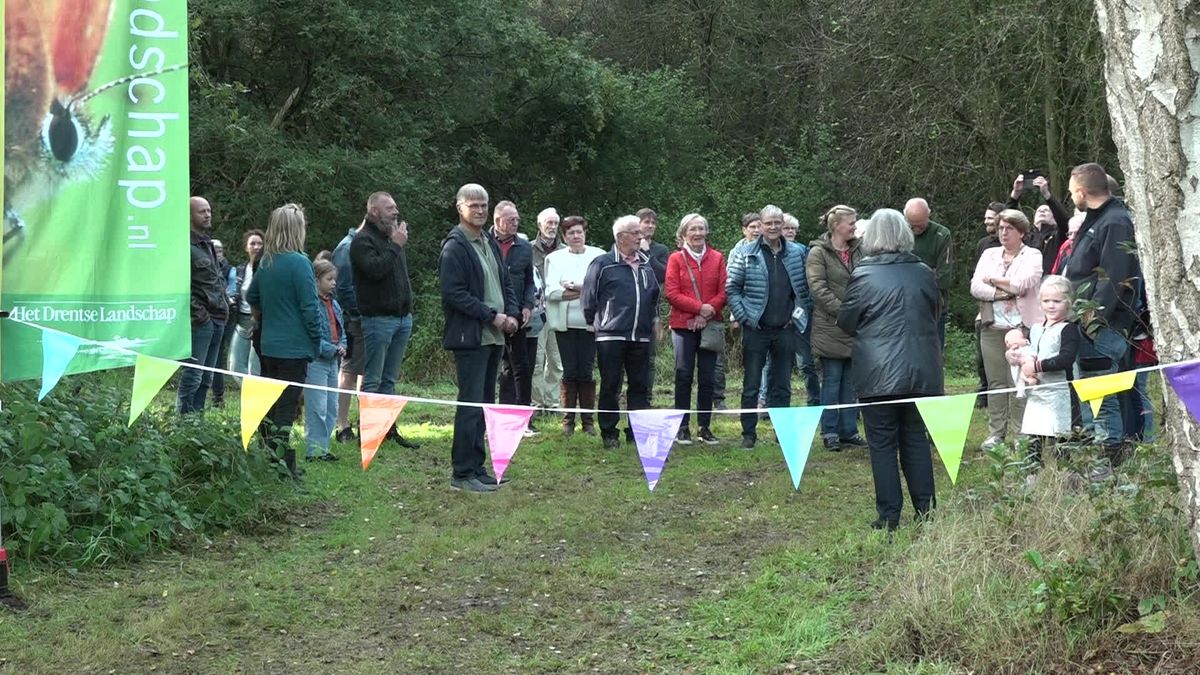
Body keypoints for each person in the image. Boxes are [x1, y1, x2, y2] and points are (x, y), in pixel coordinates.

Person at [838, 208, 942, 532]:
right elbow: (936, 312)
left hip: (878, 372)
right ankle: (926, 511)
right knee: (916, 439)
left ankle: (888, 516)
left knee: (882, 444)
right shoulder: (924, 272)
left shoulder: (863, 274)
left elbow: (846, 321)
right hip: (920, 370)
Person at [440, 183, 519, 493]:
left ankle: (478, 467)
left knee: (485, 405)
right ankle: (461, 473)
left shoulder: (487, 239)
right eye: (473, 205)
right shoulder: (455, 245)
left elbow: (505, 282)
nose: (480, 210)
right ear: (460, 208)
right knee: (470, 405)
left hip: (495, 336)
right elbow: (453, 294)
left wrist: (511, 313)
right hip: (472, 336)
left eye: (484, 204)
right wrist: (492, 316)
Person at [1062, 163, 1142, 464]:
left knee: (1102, 396)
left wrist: (1091, 321)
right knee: (1091, 394)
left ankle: (1110, 458)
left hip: (1102, 326)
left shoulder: (1115, 222)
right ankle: (1100, 452)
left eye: (1071, 191)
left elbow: (1114, 276)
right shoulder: (1096, 219)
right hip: (1086, 322)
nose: (1071, 196)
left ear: (1082, 192)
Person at [246, 203, 322, 482]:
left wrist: (267, 313)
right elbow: (310, 308)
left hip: (268, 346)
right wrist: (317, 339)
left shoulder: (266, 262)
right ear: (296, 229)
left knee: (272, 405)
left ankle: (269, 458)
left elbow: (251, 296)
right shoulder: (300, 262)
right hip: (294, 347)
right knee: (286, 408)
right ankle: (280, 466)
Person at [726, 205, 811, 450]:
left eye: (777, 223)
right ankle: (748, 433)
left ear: (783, 224)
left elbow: (804, 289)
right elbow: (732, 288)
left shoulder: (797, 252)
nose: (773, 227)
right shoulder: (746, 253)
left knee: (781, 384)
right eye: (768, 223)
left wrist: (799, 315)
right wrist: (745, 317)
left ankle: (782, 431)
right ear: (760, 225)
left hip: (786, 328)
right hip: (756, 329)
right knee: (752, 383)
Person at [582, 215, 661, 449]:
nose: (641, 237)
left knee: (640, 385)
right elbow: (588, 298)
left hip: (641, 336)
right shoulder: (603, 264)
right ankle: (609, 431)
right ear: (620, 237)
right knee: (611, 384)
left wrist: (655, 318)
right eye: (635, 233)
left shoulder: (647, 264)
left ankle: (636, 431)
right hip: (611, 335)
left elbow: (654, 296)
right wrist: (597, 323)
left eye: (640, 233)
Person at [350, 191, 419, 449]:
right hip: (378, 319)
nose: (395, 212)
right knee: (373, 379)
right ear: (374, 211)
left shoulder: (392, 238)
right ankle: (368, 435)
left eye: (396, 207)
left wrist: (395, 244)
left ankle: (386, 430)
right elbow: (375, 271)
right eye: (390, 208)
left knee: (390, 379)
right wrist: (396, 245)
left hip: (401, 319)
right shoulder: (362, 241)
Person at [971, 209, 1044, 450]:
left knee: (1020, 380)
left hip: (1022, 327)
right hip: (992, 326)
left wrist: (991, 280)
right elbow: (975, 287)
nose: (1003, 232)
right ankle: (996, 433)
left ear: (1021, 232)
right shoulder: (990, 253)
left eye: (1009, 228)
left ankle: (1021, 433)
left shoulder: (1032, 254)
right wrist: (1003, 291)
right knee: (996, 382)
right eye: (1001, 228)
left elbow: (1024, 285)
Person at [664, 213, 726, 445]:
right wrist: (699, 309)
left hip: (709, 325)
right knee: (683, 375)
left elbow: (724, 290)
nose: (698, 233)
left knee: (708, 377)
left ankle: (704, 426)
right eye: (693, 229)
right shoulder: (675, 259)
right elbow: (672, 293)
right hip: (683, 325)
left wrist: (707, 312)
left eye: (701, 229)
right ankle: (682, 427)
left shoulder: (718, 258)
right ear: (683, 234)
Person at [807, 205, 865, 451]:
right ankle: (830, 431)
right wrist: (845, 312)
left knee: (851, 382)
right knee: (832, 380)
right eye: (851, 222)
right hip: (831, 327)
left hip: (856, 327)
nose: (854, 226)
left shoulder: (859, 250)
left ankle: (849, 430)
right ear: (836, 226)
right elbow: (818, 289)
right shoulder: (817, 253)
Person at [544, 216, 605, 436]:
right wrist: (584, 291)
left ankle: (588, 421)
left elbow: (602, 289)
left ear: (585, 233)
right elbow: (551, 292)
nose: (576, 236)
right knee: (569, 370)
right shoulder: (554, 258)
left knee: (586, 370)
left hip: (591, 324)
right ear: (564, 236)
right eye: (571, 233)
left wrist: (574, 288)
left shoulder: (598, 256)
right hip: (565, 324)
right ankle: (568, 420)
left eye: (579, 232)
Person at [1014, 275, 1080, 465]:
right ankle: (1030, 477)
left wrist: (1037, 366)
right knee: (1033, 438)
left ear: (1067, 302)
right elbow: (1031, 351)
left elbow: (1066, 359)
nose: (1051, 306)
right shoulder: (1035, 328)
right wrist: (1019, 358)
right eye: (1046, 301)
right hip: (1037, 392)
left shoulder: (1069, 329)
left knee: (1061, 439)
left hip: (1060, 392)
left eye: (1057, 301)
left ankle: (1067, 480)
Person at [179, 196, 230, 415]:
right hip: (202, 321)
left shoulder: (208, 244)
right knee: (193, 374)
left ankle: (197, 423)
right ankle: (184, 421)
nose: (208, 214)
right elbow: (181, 285)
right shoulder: (185, 247)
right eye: (202, 211)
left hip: (219, 317)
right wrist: (200, 315)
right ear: (189, 215)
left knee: (207, 376)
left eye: (209, 210)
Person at [492, 201, 539, 434]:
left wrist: (528, 305)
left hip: (518, 315)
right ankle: (495, 418)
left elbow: (530, 280)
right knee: (494, 368)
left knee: (521, 366)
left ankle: (523, 419)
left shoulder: (523, 247)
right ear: (497, 220)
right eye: (511, 219)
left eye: (517, 219)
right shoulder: (485, 243)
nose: (516, 223)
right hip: (490, 315)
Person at [304, 259, 346, 462]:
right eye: (329, 279)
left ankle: (324, 447)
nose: (333, 283)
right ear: (316, 280)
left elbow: (341, 330)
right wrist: (331, 349)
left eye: (334, 279)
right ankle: (313, 450)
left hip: (333, 362)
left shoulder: (335, 304)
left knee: (332, 407)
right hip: (317, 362)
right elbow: (311, 336)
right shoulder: (311, 304)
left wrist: (343, 345)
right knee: (317, 406)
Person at [331, 219, 365, 442]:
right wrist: (358, 314)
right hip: (353, 320)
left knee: (365, 373)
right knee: (348, 373)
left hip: (368, 320)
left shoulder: (363, 246)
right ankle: (342, 426)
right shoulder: (346, 248)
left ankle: (368, 422)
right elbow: (342, 288)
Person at [530, 208, 567, 412]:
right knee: (536, 360)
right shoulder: (528, 249)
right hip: (536, 312)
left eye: (555, 223)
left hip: (559, 311)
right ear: (539, 225)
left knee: (557, 361)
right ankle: (537, 402)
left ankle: (552, 403)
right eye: (548, 223)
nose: (552, 227)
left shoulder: (565, 250)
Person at [904, 198, 953, 347]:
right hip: (903, 306)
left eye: (920, 224)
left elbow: (944, 277)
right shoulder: (899, 233)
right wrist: (928, 272)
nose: (916, 229)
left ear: (929, 215)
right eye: (912, 225)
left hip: (933, 306)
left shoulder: (941, 235)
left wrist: (913, 279)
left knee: (933, 353)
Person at [974, 202, 1006, 405]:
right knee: (982, 354)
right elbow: (978, 280)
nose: (986, 221)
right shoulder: (983, 245)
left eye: (990, 217)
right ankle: (985, 389)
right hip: (986, 304)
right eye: (985, 217)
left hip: (1011, 309)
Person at [1007, 173, 1071, 276]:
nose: (1042, 211)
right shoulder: (1025, 236)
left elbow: (1064, 220)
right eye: (1039, 210)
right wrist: (1015, 194)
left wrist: (1047, 195)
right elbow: (1007, 219)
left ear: (1055, 218)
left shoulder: (1058, 235)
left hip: (1050, 283)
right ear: (1033, 219)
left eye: (1046, 210)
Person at [229, 229, 264, 378]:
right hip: (242, 320)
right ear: (246, 247)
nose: (256, 247)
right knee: (235, 366)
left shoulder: (267, 269)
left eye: (260, 244)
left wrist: (259, 322)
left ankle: (259, 399)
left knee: (255, 369)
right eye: (252, 243)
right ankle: (251, 396)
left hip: (261, 322)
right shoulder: (240, 270)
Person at [209, 238, 236, 408]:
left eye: (220, 250)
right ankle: (217, 396)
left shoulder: (230, 270)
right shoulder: (205, 268)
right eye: (214, 250)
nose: (218, 253)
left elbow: (232, 290)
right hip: (212, 316)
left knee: (233, 358)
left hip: (229, 316)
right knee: (216, 358)